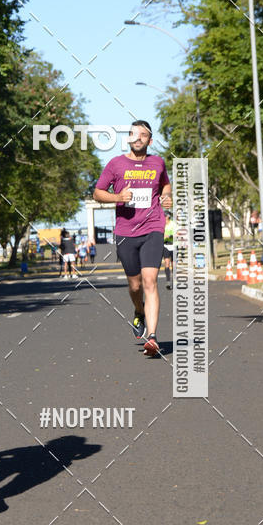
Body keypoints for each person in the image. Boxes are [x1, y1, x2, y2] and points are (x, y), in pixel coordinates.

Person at [93, 120, 172, 356]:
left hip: (153, 227)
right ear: (128, 138)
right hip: (126, 231)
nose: (138, 138)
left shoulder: (158, 162)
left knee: (150, 281)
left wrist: (167, 196)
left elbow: (165, 185)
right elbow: (97, 193)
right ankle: (139, 310)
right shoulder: (115, 164)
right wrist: (118, 197)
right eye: (134, 134)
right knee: (135, 285)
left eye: (143, 135)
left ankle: (152, 337)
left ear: (150, 140)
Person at [163, 212, 175, 289]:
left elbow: (178, 233)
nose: (163, 217)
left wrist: (169, 236)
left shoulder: (173, 224)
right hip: (165, 246)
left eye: (164, 216)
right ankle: (168, 281)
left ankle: (174, 280)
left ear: (168, 217)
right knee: (167, 263)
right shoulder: (162, 224)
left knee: (174, 264)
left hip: (174, 245)